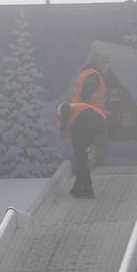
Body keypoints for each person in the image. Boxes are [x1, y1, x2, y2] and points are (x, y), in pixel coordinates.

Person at [56, 60, 109, 198]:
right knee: (82, 156)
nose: (104, 67)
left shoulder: (89, 75)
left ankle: (86, 189)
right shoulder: (92, 74)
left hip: (85, 120)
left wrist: (62, 128)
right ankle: (79, 186)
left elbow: (65, 109)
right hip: (96, 119)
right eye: (103, 64)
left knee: (80, 157)